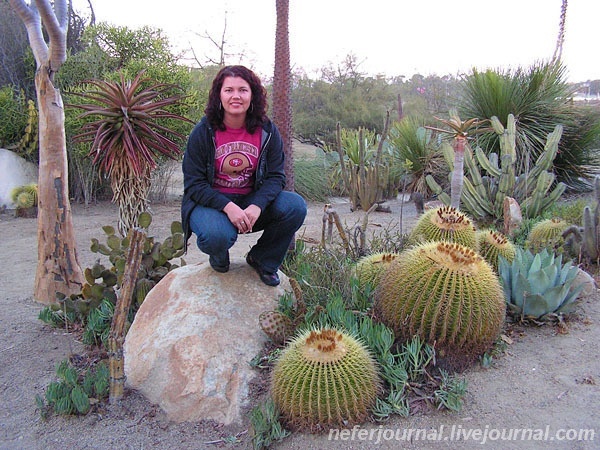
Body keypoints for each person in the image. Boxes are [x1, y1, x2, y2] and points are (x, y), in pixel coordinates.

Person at [181, 65, 307, 286]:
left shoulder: (267, 131)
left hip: (250, 201)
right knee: (216, 235)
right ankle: (218, 254)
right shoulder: (203, 132)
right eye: (229, 90)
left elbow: (276, 177)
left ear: (253, 95)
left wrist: (256, 206)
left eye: (243, 90)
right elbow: (194, 185)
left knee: (295, 206)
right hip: (212, 204)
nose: (236, 96)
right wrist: (229, 208)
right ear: (219, 95)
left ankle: (263, 260)